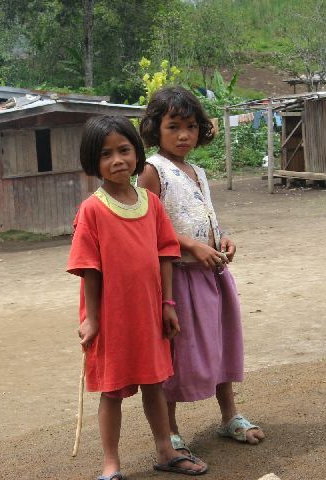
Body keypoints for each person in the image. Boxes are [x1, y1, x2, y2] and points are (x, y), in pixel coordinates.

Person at [67, 115, 208, 479]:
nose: (117, 160)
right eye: (106, 154)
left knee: (154, 385)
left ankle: (165, 450)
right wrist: (92, 318)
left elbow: (166, 255)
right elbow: (88, 269)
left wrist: (168, 304)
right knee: (111, 391)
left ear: (136, 152)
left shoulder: (150, 203)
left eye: (124, 150)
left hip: (149, 314)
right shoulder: (92, 210)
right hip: (112, 320)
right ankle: (111, 464)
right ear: (91, 162)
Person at [137, 86, 265, 456]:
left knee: (222, 342)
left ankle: (230, 415)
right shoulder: (151, 170)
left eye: (191, 126)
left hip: (213, 274)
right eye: (173, 126)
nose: (183, 135)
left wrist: (223, 239)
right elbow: (146, 230)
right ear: (155, 129)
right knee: (176, 354)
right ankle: (171, 431)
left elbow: (208, 217)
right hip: (177, 278)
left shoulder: (197, 171)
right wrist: (191, 245)